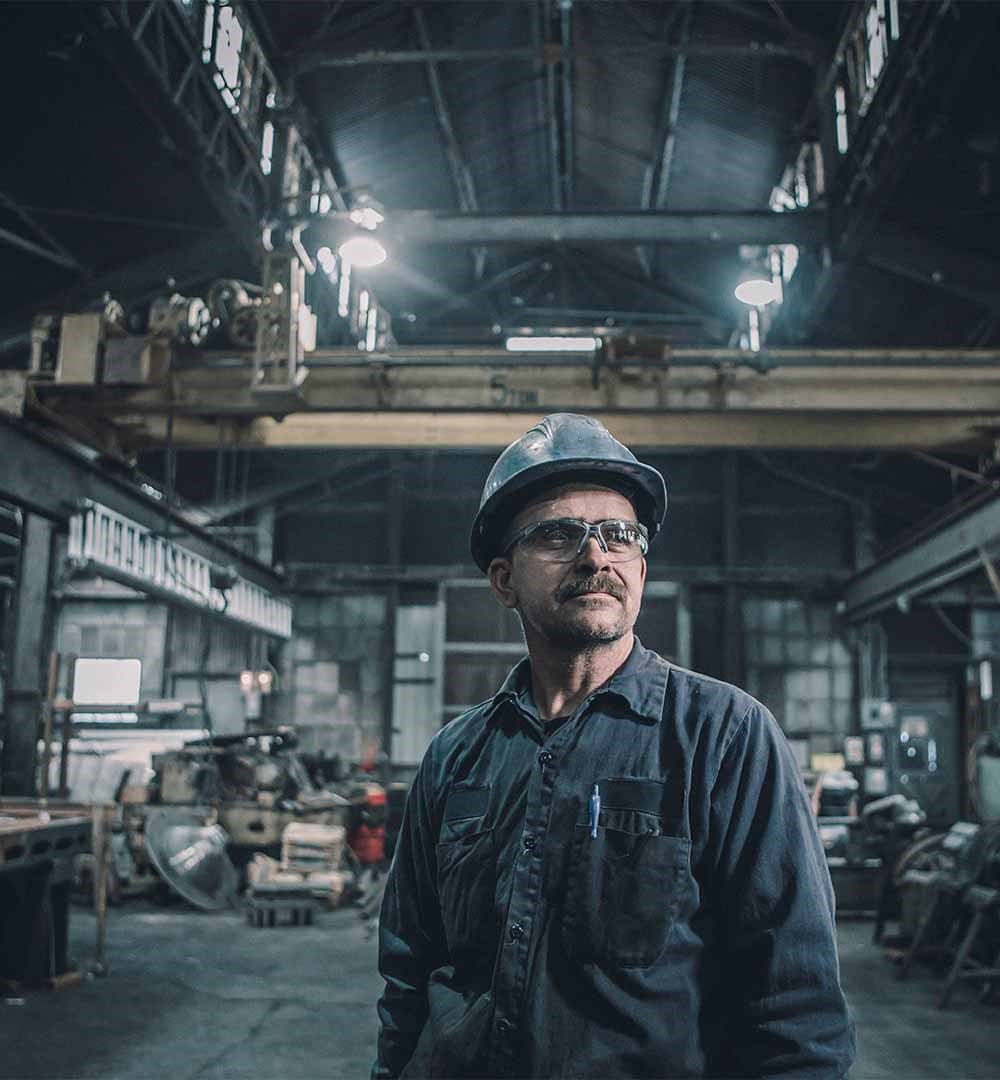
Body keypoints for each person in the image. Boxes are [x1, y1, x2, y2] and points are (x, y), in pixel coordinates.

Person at [372, 413, 855, 1079]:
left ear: (642, 566)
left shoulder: (725, 737)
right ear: (504, 581)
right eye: (560, 535)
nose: (595, 556)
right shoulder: (456, 756)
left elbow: (794, 1005)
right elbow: (408, 972)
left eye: (619, 535)